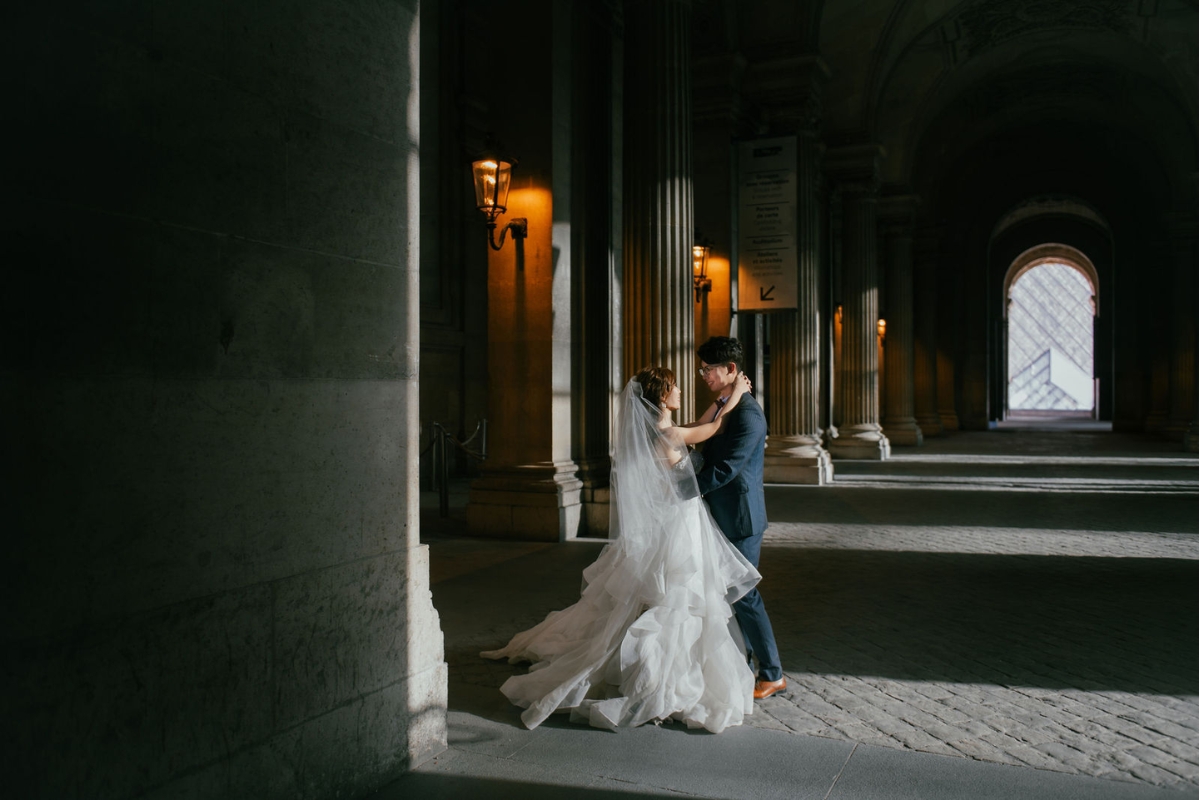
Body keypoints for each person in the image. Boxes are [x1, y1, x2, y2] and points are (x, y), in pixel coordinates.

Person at [480, 366, 761, 732]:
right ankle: (654, 672)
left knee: (670, 594)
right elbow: (710, 430)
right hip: (679, 522)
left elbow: (697, 423)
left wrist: (720, 401)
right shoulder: (665, 432)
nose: (679, 392)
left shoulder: (662, 426)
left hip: (679, 517)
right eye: (674, 388)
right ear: (662, 396)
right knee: (674, 595)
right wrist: (736, 394)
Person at [694, 336, 786, 700]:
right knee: (732, 595)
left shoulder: (748, 414)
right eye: (701, 369)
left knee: (743, 594)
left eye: (708, 369)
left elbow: (728, 468)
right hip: (723, 513)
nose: (703, 375)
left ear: (730, 369)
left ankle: (773, 673)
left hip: (742, 518)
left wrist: (686, 489)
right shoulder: (727, 407)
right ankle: (743, 667)